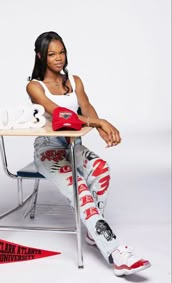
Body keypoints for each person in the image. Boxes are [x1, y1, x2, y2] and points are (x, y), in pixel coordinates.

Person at [26, 31, 151, 276]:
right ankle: (116, 253)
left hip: (73, 145)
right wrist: (99, 123)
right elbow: (61, 114)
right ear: (40, 56)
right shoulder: (34, 86)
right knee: (80, 188)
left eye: (61, 52)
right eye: (52, 54)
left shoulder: (74, 80)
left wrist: (97, 121)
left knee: (101, 168)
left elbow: (87, 107)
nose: (59, 58)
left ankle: (94, 232)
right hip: (49, 150)